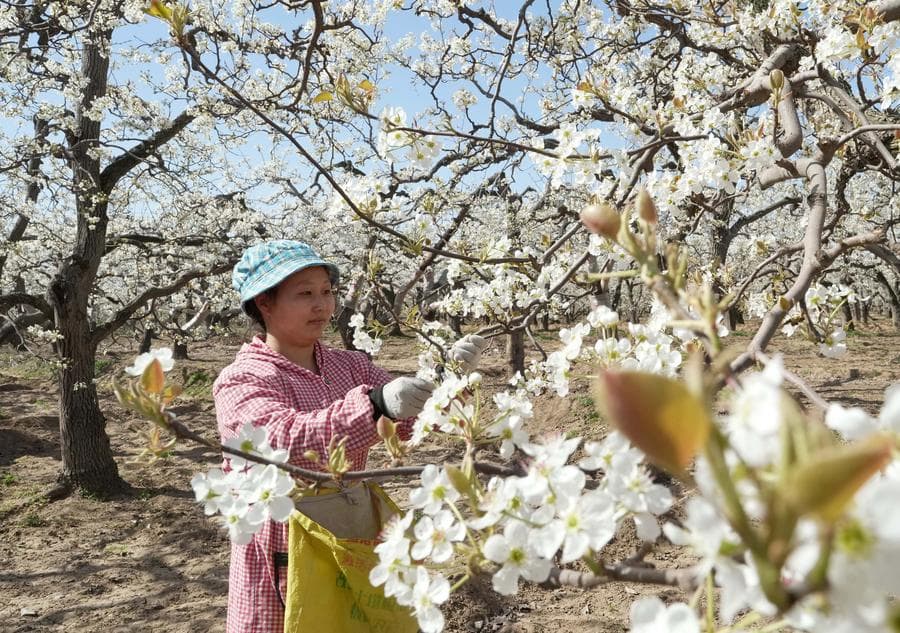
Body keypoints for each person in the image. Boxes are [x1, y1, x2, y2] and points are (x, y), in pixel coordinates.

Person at [213, 240, 486, 633]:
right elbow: (282, 442)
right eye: (305, 294)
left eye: (327, 292)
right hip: (283, 541)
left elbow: (408, 419)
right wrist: (377, 406)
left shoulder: (350, 365)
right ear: (264, 304)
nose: (322, 305)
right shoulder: (242, 379)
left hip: (350, 528)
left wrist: (445, 381)